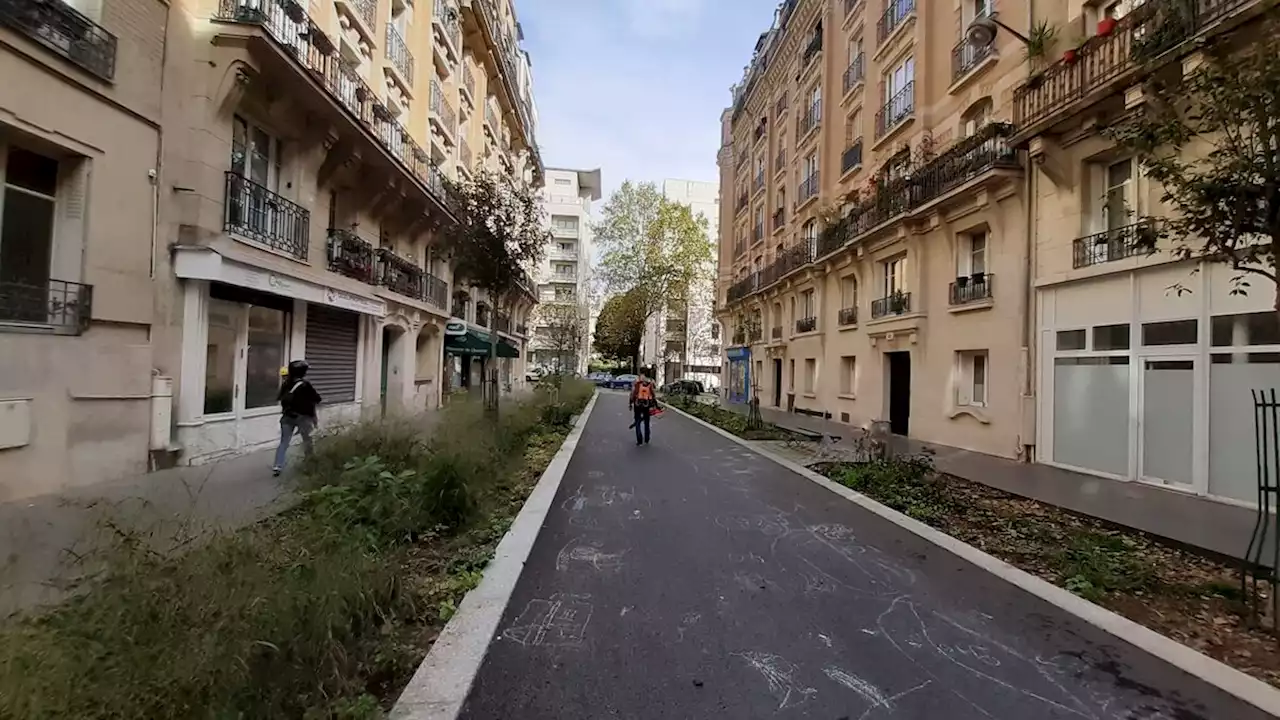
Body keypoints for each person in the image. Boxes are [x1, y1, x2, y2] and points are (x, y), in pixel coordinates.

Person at [272, 359, 322, 475]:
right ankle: (310, 465)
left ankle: (277, 466)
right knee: (307, 441)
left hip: (287, 417)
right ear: (303, 372)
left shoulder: (286, 384)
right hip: (303, 418)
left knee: (284, 442)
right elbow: (317, 399)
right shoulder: (305, 385)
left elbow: (280, 398)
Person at [628, 371, 658, 446]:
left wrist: (630, 403)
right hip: (646, 405)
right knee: (646, 422)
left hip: (637, 404)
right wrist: (655, 405)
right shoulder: (649, 384)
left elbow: (632, 394)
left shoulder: (636, 384)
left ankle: (639, 440)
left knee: (637, 421)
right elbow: (653, 395)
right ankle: (647, 438)